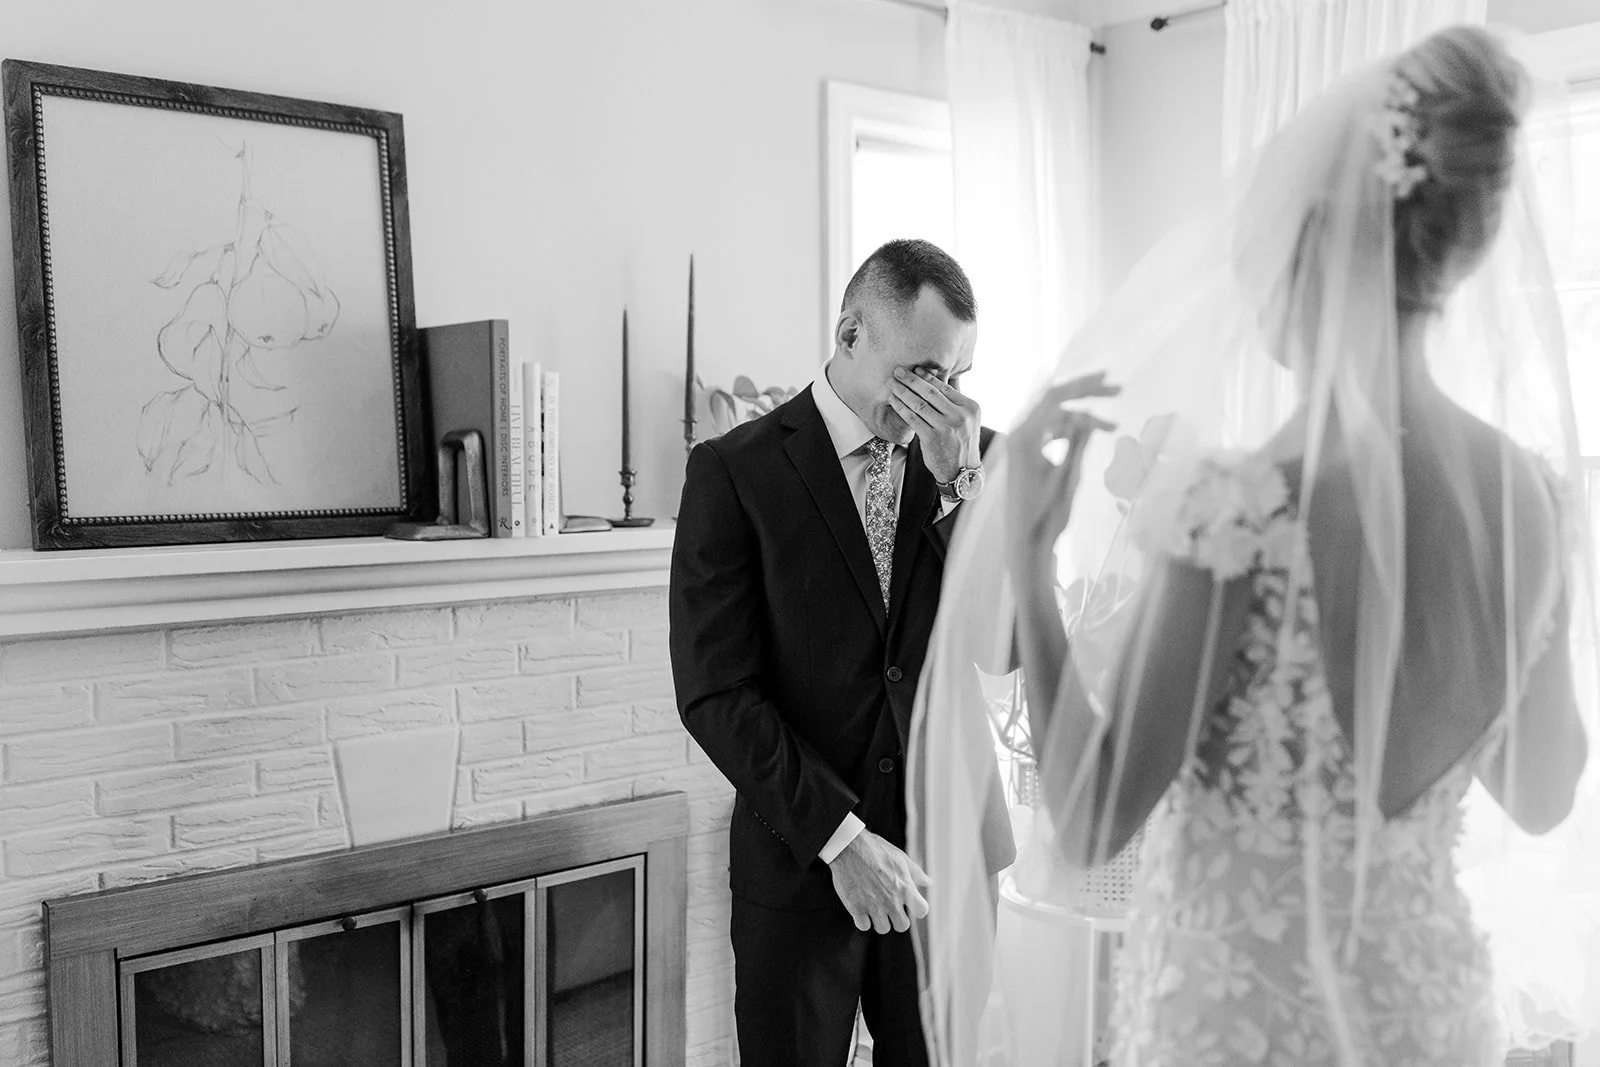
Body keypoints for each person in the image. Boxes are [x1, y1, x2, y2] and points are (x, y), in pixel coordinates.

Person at [910, 25, 1599, 1067]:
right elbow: (1544, 794)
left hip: (1245, 1026)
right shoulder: (1530, 501)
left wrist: (1029, 565)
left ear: (1318, 250)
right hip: (1427, 1016)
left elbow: (1092, 818)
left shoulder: (1234, 509)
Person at [670, 239, 1047, 1065]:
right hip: (800, 864)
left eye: (957, 378)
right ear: (851, 333)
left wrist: (964, 491)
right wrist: (842, 840)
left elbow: (1008, 648)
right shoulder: (733, 474)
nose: (940, 402)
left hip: (951, 861)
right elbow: (714, 692)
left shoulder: (980, 459)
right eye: (922, 373)